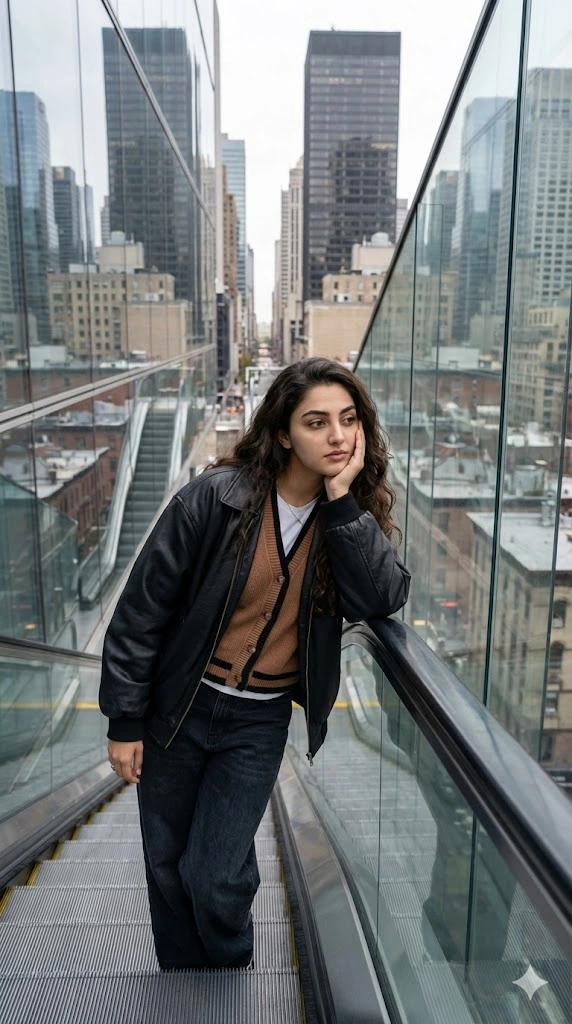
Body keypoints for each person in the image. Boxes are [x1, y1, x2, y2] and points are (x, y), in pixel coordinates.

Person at [99, 357, 410, 971]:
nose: (338, 436)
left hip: (258, 722)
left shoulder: (349, 516)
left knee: (213, 871)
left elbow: (383, 596)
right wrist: (124, 721)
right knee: (167, 863)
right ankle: (186, 982)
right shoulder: (214, 500)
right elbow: (141, 612)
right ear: (282, 433)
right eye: (317, 422)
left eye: (349, 421)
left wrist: (344, 502)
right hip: (180, 707)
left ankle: (231, 967)